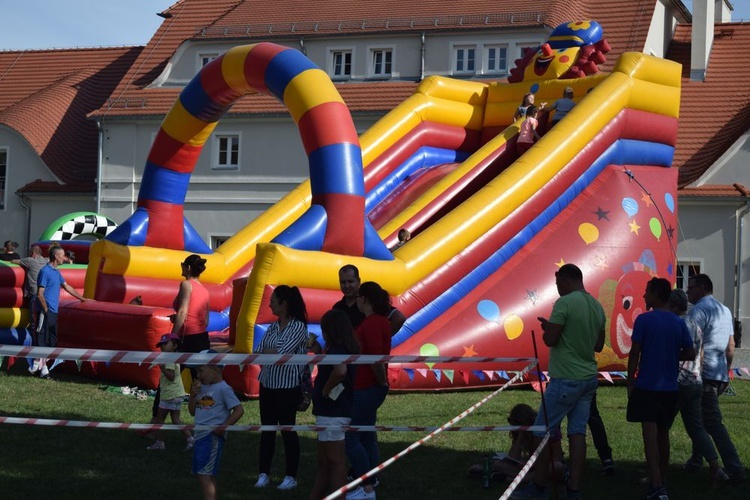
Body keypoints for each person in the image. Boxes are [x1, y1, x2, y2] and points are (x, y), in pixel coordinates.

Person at [511, 264, 605, 500]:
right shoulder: (597, 306)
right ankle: (573, 490)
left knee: (541, 430)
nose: (557, 288)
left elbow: (551, 339)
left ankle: (538, 487)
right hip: (587, 380)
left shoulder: (564, 303)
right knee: (577, 433)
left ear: (566, 279)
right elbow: (598, 345)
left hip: (565, 379)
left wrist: (548, 329)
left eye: (557, 283)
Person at [626, 278, 695, 500]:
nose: (644, 296)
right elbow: (690, 353)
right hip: (670, 388)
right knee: (663, 434)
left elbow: (635, 352)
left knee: (650, 436)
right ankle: (660, 479)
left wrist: (630, 381)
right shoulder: (678, 323)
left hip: (647, 386)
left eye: (647, 292)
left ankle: (656, 485)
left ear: (656, 294)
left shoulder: (644, 320)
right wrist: (672, 354)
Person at [685, 274, 746, 482]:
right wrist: (727, 371)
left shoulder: (698, 311)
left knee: (711, 423)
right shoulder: (724, 310)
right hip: (719, 374)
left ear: (702, 288)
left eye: (690, 287)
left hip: (704, 374)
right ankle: (696, 459)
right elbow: (731, 346)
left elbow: (692, 345)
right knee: (698, 418)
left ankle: (734, 467)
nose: (687, 291)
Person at [667, 289, 729, 485]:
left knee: (661, 428)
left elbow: (675, 352)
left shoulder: (676, 324)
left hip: (677, 382)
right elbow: (700, 354)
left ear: (674, 306)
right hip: (696, 381)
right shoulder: (695, 324)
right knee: (697, 429)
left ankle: (657, 473)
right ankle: (716, 468)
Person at [254, 285, 309, 491]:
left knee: (288, 431)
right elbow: (258, 351)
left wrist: (270, 352)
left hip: (287, 388)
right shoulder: (272, 327)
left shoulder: (298, 327)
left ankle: (291, 476)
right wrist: (271, 352)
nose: (269, 304)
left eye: (273, 301)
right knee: (267, 431)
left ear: (284, 304)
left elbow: (281, 355)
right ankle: (263, 473)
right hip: (267, 384)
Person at [345, 281, 392, 500]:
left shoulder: (373, 323)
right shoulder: (379, 321)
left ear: (364, 299)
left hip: (367, 387)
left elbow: (375, 359)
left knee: (352, 438)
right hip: (367, 387)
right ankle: (372, 480)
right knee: (366, 436)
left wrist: (381, 383)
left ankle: (367, 487)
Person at [308, 310, 360, 500]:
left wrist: (325, 389)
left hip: (333, 412)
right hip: (330, 412)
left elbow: (339, 371)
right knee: (325, 464)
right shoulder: (343, 348)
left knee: (336, 463)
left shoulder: (338, 349)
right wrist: (318, 352)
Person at [189, 349, 244, 500]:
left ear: (215, 369)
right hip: (199, 435)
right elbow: (192, 411)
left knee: (204, 474)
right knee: (204, 474)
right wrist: (193, 395)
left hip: (211, 437)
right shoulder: (202, 388)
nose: (198, 375)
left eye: (200, 370)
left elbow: (239, 410)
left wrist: (223, 427)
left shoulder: (224, 389)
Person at [32, 245, 87, 378]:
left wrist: (82, 298)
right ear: (56, 257)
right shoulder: (45, 271)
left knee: (52, 340)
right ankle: (42, 369)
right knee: (42, 339)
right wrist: (45, 309)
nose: (65, 258)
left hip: (53, 312)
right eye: (62, 256)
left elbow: (67, 287)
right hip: (45, 311)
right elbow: (40, 294)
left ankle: (40, 364)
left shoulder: (57, 272)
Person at [146, 333, 194, 451]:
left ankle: (160, 443)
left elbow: (171, 376)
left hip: (169, 394)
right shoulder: (172, 357)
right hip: (177, 393)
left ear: (174, 346)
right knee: (176, 419)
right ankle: (190, 439)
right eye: (161, 344)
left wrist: (162, 368)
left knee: (159, 419)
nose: (162, 346)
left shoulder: (169, 359)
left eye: (165, 343)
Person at [468, 404, 538, 482]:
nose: (511, 425)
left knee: (541, 471)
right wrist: (520, 436)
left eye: (512, 421)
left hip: (541, 465)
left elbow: (541, 458)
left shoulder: (537, 432)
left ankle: (509, 478)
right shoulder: (519, 433)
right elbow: (513, 457)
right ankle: (506, 476)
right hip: (530, 464)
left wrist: (526, 463)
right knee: (498, 464)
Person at [333, 264, 406, 336]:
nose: (346, 286)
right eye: (343, 282)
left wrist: (383, 338)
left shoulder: (369, 302)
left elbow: (399, 318)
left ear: (358, 281)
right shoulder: (337, 307)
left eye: (350, 281)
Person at [172, 254, 211, 373]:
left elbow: (183, 312)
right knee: (199, 378)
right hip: (202, 338)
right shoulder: (204, 290)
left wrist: (172, 336)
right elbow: (205, 321)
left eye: (182, 266)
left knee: (172, 375)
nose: (181, 269)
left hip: (188, 338)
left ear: (188, 267)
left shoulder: (186, 284)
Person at [11, 245, 48, 337]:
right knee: (43, 320)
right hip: (46, 294)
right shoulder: (45, 261)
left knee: (34, 321)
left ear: (33, 253)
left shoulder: (30, 260)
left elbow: (13, 261)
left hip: (35, 294)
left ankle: (34, 345)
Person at [587, 394, 615, 475]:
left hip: (562, 385)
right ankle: (606, 458)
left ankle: (557, 458)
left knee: (555, 420)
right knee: (593, 416)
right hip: (587, 384)